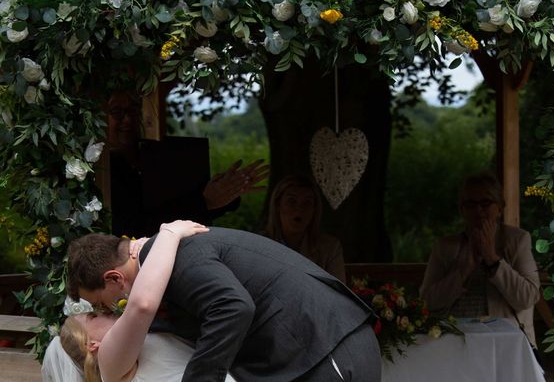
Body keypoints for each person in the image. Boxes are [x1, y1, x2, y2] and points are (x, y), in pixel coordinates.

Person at [66, 227, 381, 381]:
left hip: (326, 345)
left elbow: (233, 307)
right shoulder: (164, 259)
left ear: (114, 279)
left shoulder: (178, 257)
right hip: (318, 348)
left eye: (103, 304)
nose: (112, 310)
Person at [56, 219, 237, 382]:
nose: (104, 310)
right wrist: (168, 234)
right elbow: (142, 304)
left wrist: (144, 250)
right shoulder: (108, 364)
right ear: (92, 345)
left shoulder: (140, 337)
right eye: (94, 315)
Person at [107, 91, 269, 237]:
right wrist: (204, 202)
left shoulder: (160, 155)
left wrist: (225, 191)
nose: (127, 119)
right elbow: (134, 228)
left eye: (133, 110)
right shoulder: (102, 171)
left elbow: (181, 198)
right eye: (116, 112)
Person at [419, 172, 540, 346]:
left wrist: (492, 260)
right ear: (462, 210)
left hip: (505, 343)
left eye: (485, 202)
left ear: (499, 208)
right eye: (470, 204)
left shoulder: (517, 240)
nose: (478, 210)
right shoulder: (445, 247)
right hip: (455, 341)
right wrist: (462, 272)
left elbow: (528, 297)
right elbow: (426, 301)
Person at [265, 174, 346, 282]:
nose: (299, 209)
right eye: (291, 201)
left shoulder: (329, 248)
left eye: (307, 203)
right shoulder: (260, 244)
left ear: (314, 210)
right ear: (278, 205)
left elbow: (338, 295)